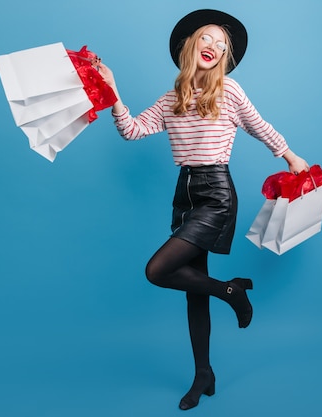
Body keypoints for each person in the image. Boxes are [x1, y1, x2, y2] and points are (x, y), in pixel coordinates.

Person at [97, 9, 309, 411]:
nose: (213, 47)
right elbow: (132, 130)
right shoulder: (171, 99)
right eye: (207, 39)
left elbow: (260, 126)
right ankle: (204, 375)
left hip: (215, 195)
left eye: (222, 45)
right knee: (193, 292)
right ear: (191, 45)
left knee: (158, 271)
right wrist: (114, 92)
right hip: (185, 196)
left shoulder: (229, 92)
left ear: (225, 57)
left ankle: (232, 292)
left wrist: (291, 157)